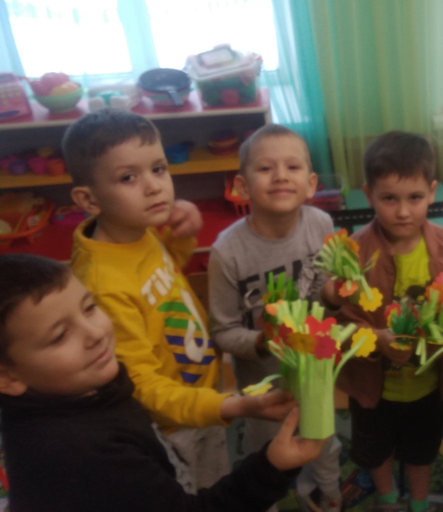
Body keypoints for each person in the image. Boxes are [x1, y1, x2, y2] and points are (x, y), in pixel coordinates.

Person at [63, 110, 291, 491]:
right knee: (193, 494)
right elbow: (139, 385)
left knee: (215, 476)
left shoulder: (134, 231)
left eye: (158, 169)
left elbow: (162, 276)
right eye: (128, 177)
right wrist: (227, 406)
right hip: (169, 424)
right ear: (89, 199)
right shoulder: (102, 286)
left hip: (199, 396)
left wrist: (181, 236)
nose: (154, 187)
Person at [0, 254, 325, 512]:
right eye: (59, 336)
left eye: (90, 308)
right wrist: (272, 468)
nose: (96, 333)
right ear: (7, 377)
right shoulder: (86, 456)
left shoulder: (79, 389)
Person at [209, 124, 343, 512]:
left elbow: (320, 292)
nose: (281, 176)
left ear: (311, 183)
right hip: (263, 385)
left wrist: (332, 297)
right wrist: (261, 341)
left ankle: (329, 492)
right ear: (242, 186)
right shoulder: (227, 252)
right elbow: (223, 332)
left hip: (314, 369)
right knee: (266, 452)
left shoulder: (321, 225)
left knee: (324, 438)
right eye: (266, 168)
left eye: (293, 167)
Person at [334, 131, 443, 512]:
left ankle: (420, 504)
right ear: (368, 194)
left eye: (415, 197)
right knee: (376, 452)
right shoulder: (353, 254)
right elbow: (341, 324)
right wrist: (376, 338)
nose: (404, 211)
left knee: (422, 452)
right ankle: (388, 500)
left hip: (428, 386)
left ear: (432, 192)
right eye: (389, 199)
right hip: (373, 387)